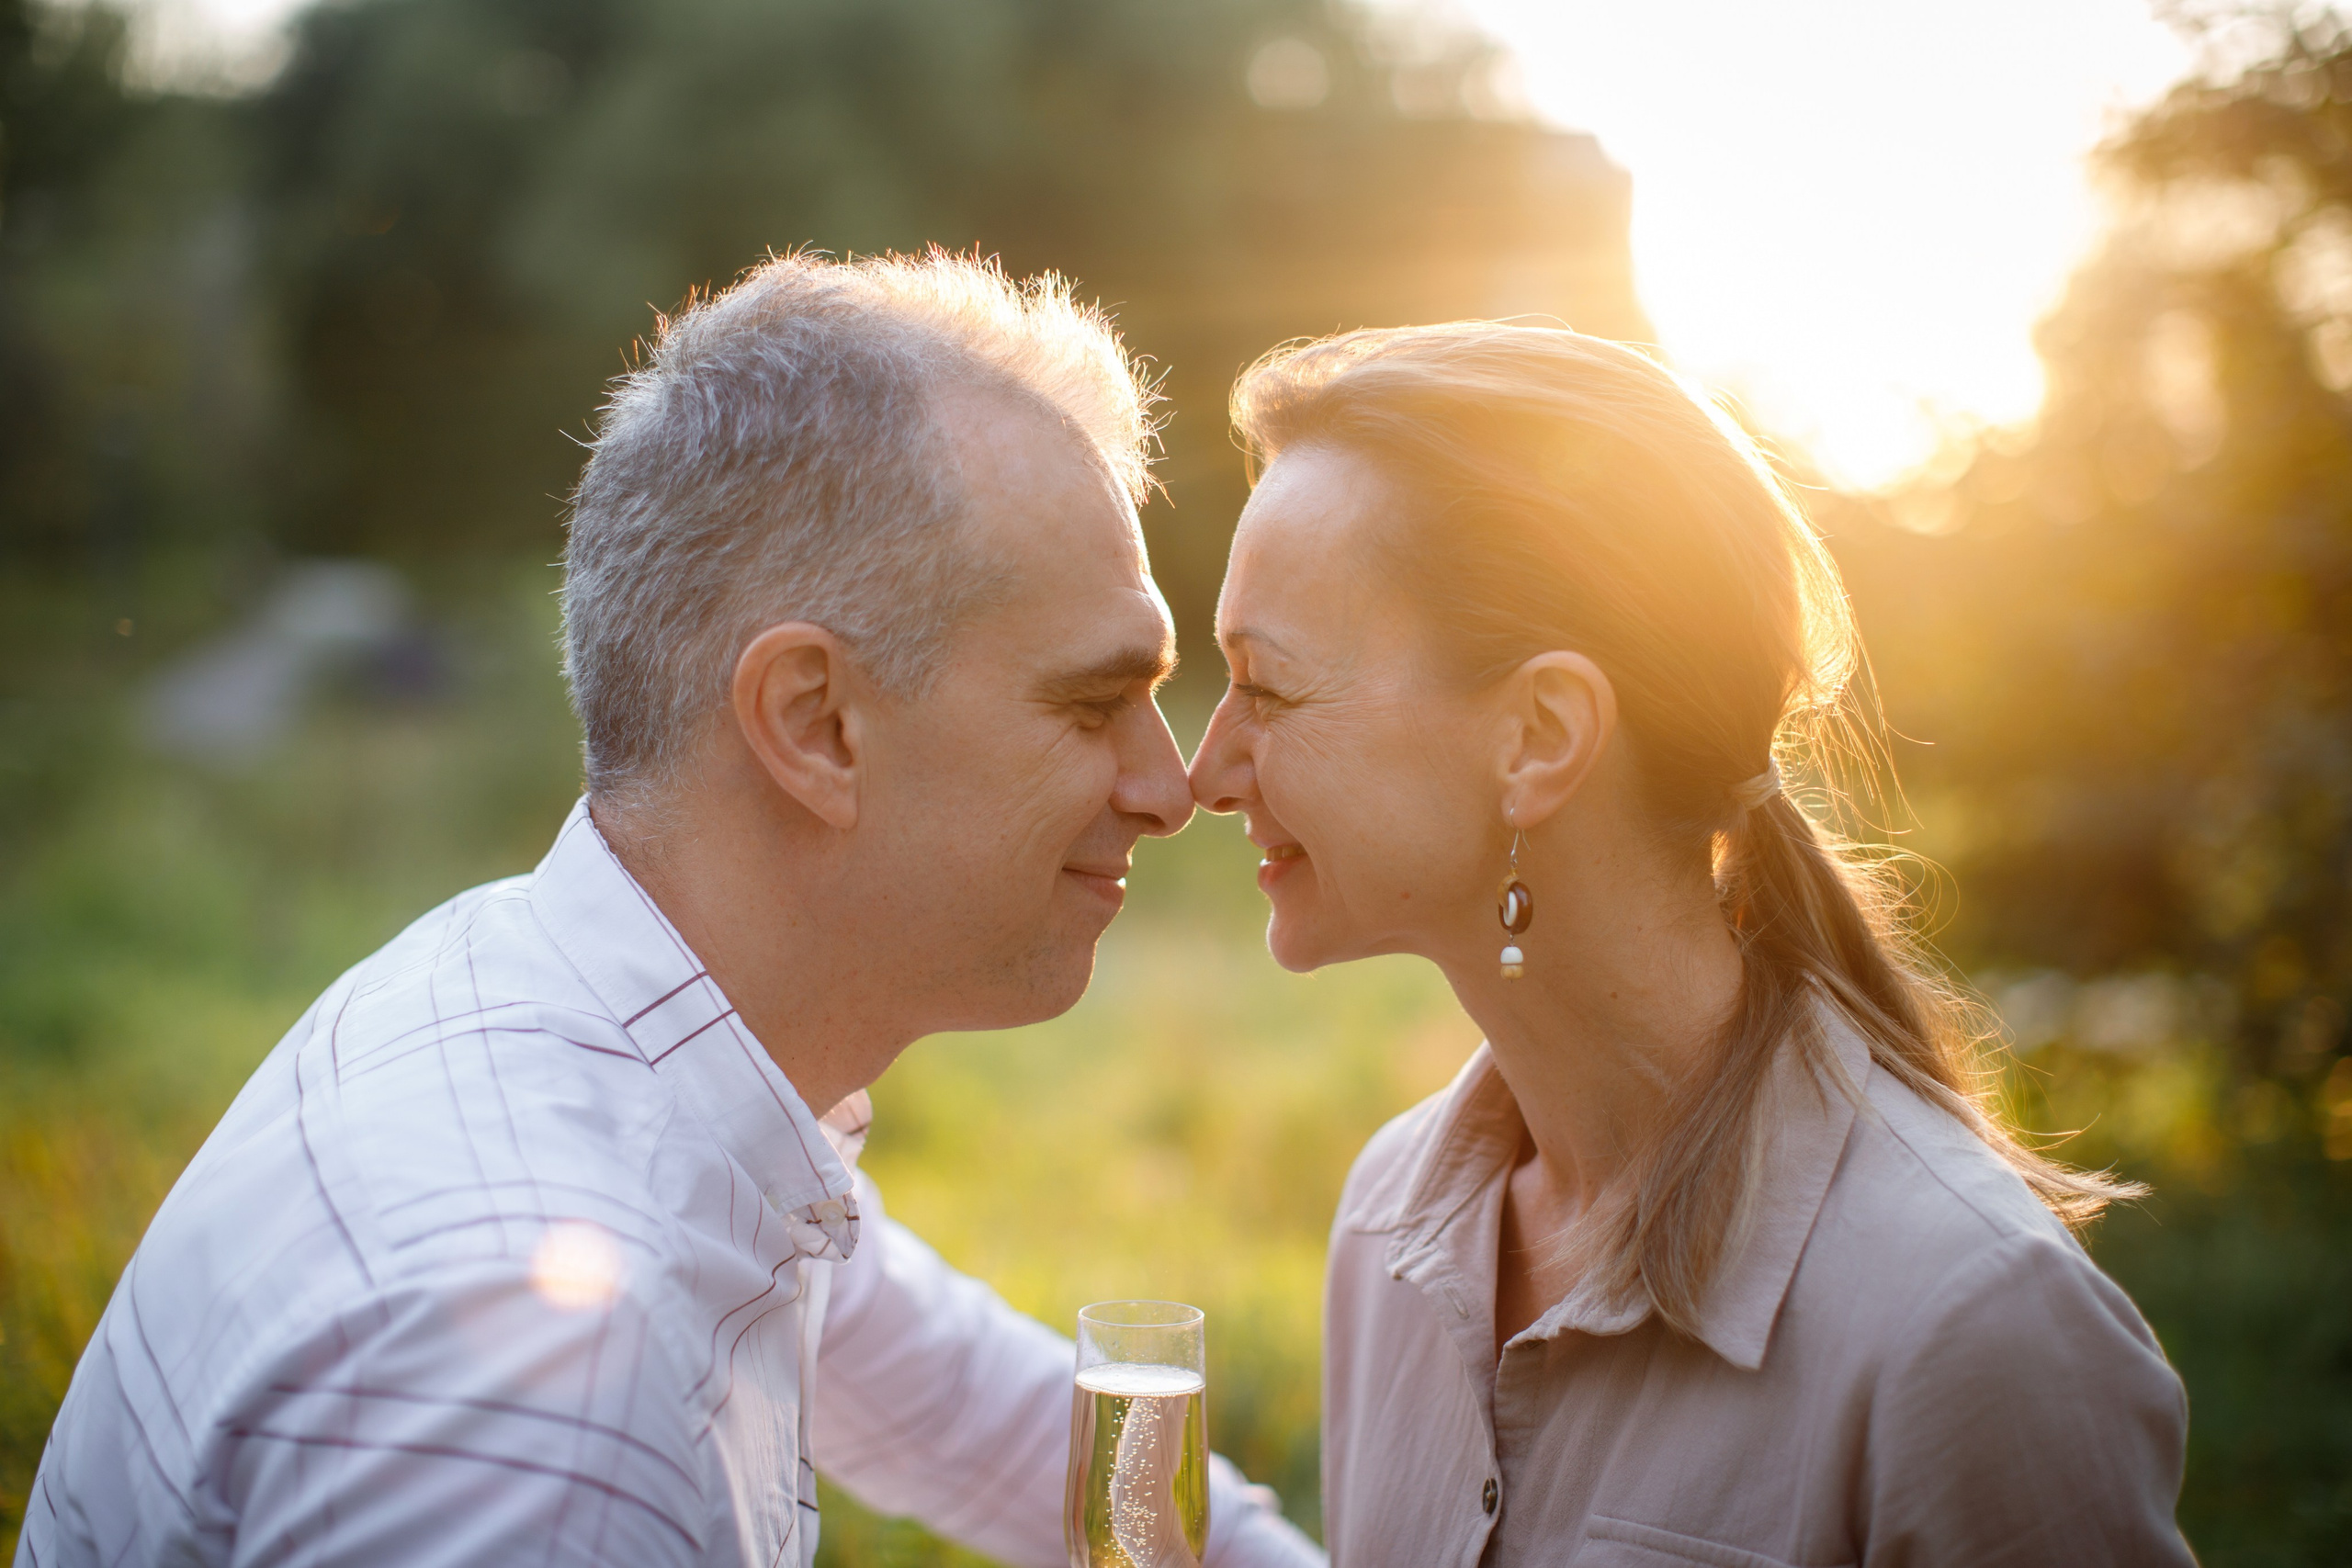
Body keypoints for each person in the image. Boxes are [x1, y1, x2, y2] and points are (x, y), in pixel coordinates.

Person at [19, 253, 1321, 1568]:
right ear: (816, 724)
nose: (1172, 785)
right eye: (1093, 705)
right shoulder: (547, 1389)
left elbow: (961, 1408)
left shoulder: (588, 1027)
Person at [1186, 322, 2196, 1566]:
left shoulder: (1975, 1330)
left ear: (1539, 736)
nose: (1205, 767)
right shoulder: (1389, 1225)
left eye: (1268, 689)